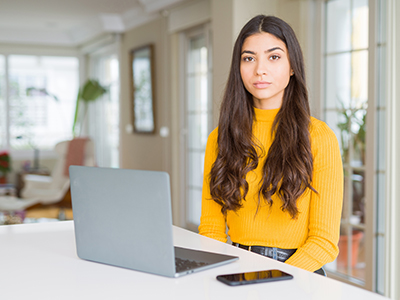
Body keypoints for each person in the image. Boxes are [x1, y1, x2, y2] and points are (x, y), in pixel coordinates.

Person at [198, 15, 343, 274]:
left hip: (298, 274)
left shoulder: (319, 137)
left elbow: (324, 242)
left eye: (273, 57)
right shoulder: (220, 138)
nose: (259, 70)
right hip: (235, 268)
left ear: (292, 66)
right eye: (249, 58)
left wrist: (274, 283)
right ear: (239, 67)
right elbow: (211, 230)